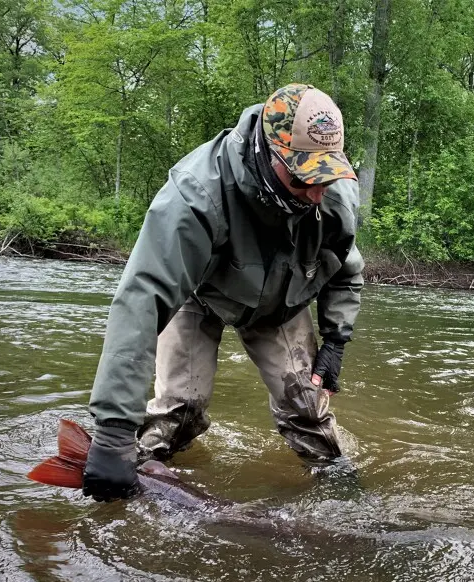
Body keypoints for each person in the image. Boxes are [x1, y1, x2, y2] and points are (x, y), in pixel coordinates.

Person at [82, 83, 364, 502]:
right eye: (304, 176)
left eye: (326, 175)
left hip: (280, 305)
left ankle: (345, 501)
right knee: (181, 413)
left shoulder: (332, 195)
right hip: (199, 294)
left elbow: (345, 269)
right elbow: (143, 298)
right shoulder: (196, 193)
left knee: (310, 414)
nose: (316, 192)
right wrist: (112, 432)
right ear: (269, 153)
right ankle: (129, 476)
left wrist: (336, 339)